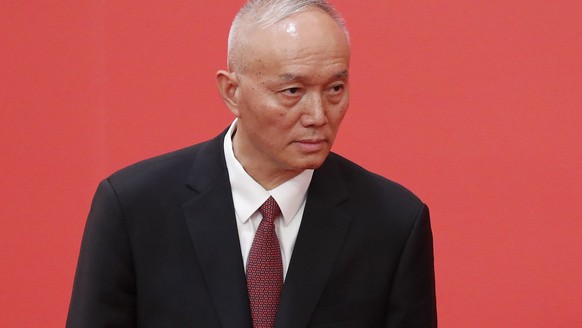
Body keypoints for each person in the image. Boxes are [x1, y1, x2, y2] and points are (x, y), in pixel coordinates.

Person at [66, 0, 437, 327]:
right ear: (232, 91)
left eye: (335, 89)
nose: (318, 114)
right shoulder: (134, 208)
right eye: (292, 91)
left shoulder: (393, 224)